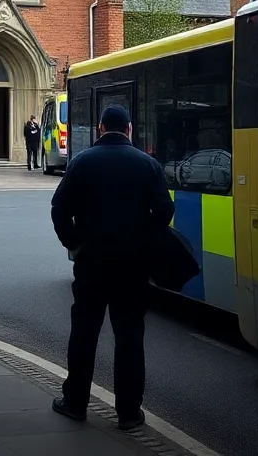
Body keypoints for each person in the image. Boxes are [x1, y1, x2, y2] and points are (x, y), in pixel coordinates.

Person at [49, 104, 174, 430]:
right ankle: (129, 413)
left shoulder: (82, 163)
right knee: (130, 335)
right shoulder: (148, 165)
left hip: (91, 263)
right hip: (132, 265)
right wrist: (144, 242)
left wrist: (74, 243)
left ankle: (75, 403)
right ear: (129, 129)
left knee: (85, 333)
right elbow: (163, 210)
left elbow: (59, 209)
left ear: (100, 129)